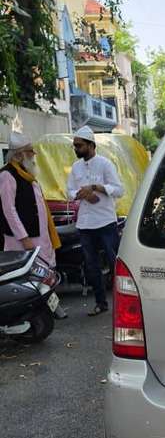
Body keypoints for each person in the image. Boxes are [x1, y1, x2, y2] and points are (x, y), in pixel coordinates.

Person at [67, 126, 124, 316]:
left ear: (91, 145)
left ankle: (124, 302)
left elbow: (118, 189)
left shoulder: (105, 164)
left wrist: (97, 187)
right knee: (92, 266)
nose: (76, 149)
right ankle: (101, 303)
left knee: (115, 263)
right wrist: (81, 194)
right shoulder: (75, 167)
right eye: (75, 146)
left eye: (79, 145)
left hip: (106, 222)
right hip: (85, 224)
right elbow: (69, 191)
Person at [0, 130, 61, 266]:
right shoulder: (7, 175)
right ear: (19, 155)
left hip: (40, 237)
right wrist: (24, 238)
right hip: (22, 241)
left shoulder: (27, 174)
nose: (34, 154)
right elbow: (9, 210)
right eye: (30, 151)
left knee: (45, 271)